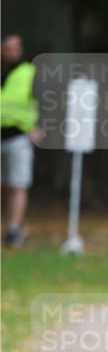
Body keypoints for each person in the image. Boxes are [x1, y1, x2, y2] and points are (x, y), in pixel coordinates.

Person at [1, 34, 41, 246]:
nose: (13, 52)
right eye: (8, 48)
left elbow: (45, 99)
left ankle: (14, 229)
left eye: (17, 48)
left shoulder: (28, 72)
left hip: (19, 134)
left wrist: (40, 125)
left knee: (18, 183)